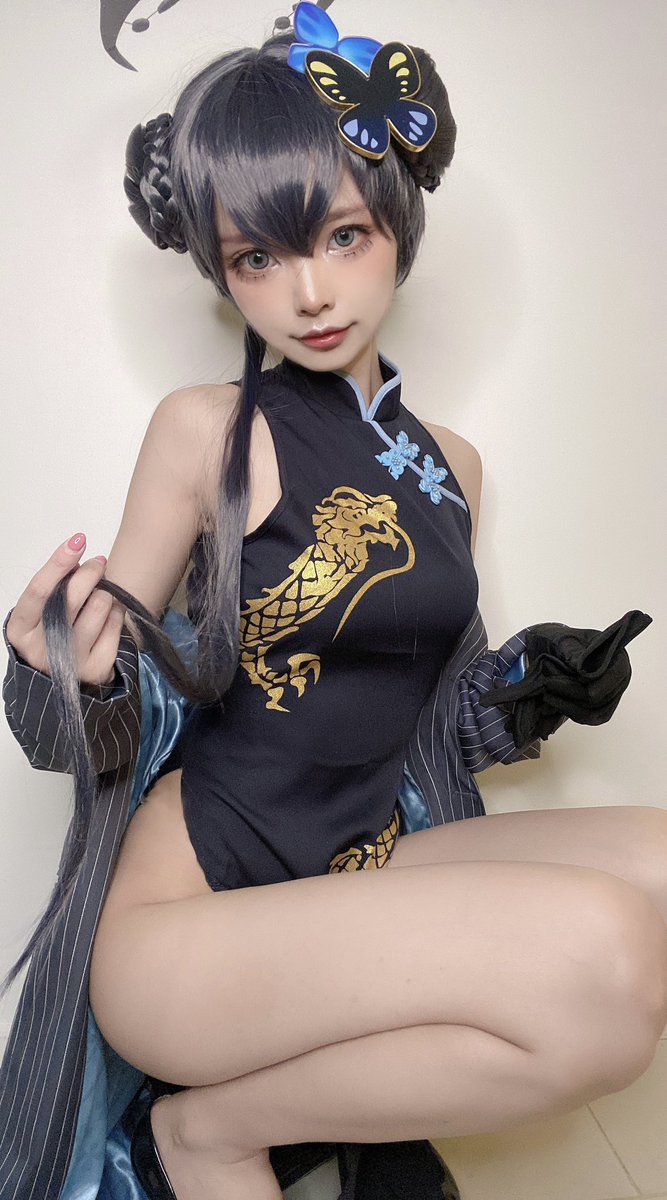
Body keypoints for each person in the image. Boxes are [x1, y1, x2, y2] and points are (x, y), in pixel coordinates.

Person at [2, 4, 667, 1199]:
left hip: (361, 864)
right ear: (220, 271)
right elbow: (93, 720)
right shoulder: (206, 430)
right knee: (609, 964)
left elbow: (423, 720)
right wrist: (65, 663)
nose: (308, 292)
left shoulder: (454, 464)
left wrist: (529, 685)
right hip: (190, 921)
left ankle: (228, 1125)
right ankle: (206, 1132)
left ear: (397, 223)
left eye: (344, 236)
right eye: (256, 258)